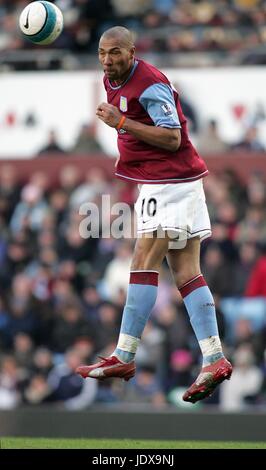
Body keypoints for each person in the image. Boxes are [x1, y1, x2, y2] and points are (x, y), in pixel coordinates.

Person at [76, 26, 233, 403]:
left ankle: (125, 355)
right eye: (102, 53)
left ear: (132, 51)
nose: (107, 60)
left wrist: (121, 122)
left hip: (170, 182)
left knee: (142, 258)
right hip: (171, 182)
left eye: (115, 53)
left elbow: (173, 136)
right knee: (186, 273)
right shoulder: (111, 77)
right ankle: (214, 357)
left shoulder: (149, 82)